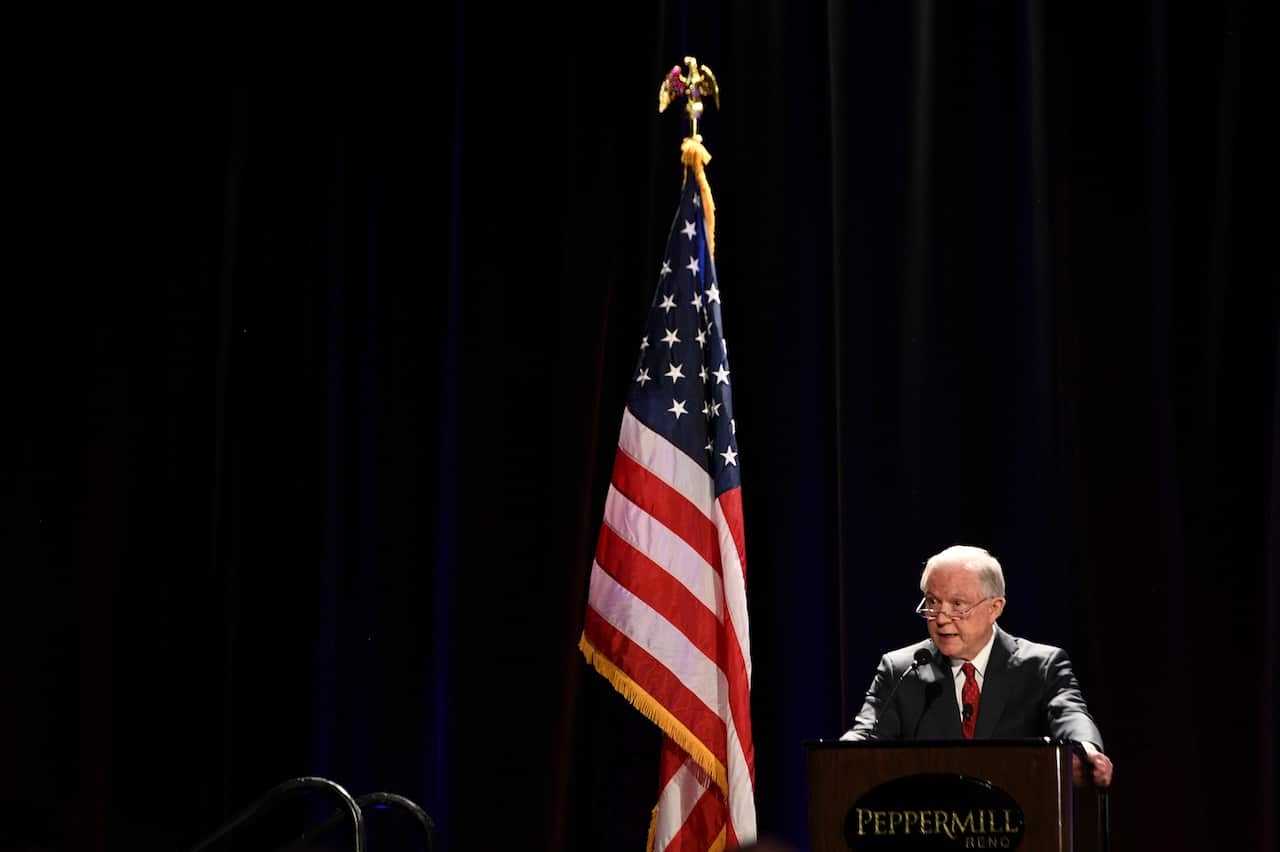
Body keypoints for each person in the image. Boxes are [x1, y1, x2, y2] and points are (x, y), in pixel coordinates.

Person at [841, 545, 1113, 788]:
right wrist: (837, 759)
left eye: (957, 605)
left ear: (995, 607)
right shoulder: (902, 668)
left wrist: (1086, 751)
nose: (941, 619)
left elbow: (1070, 715)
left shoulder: (1040, 666)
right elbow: (866, 735)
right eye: (933, 602)